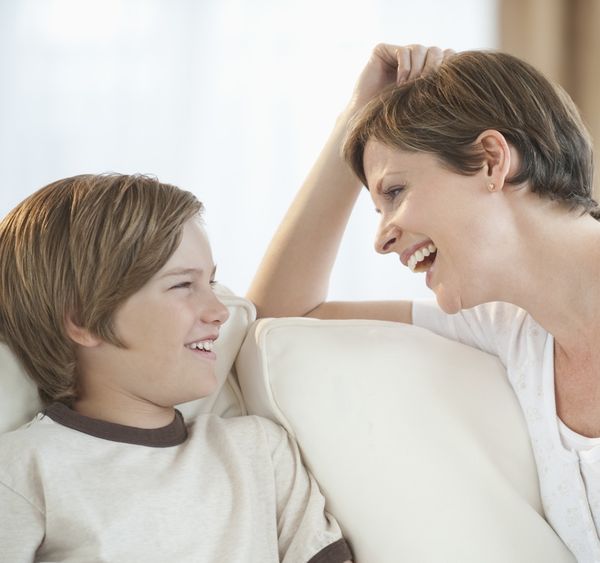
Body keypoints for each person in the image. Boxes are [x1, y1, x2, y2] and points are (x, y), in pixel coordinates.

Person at [247, 44, 600, 561]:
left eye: (395, 192)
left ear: (490, 161)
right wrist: (354, 115)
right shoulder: (514, 330)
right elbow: (278, 319)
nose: (381, 239)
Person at [0, 174, 353, 563]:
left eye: (213, 282)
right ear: (84, 321)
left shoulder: (259, 451)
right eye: (183, 285)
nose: (219, 311)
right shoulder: (22, 471)